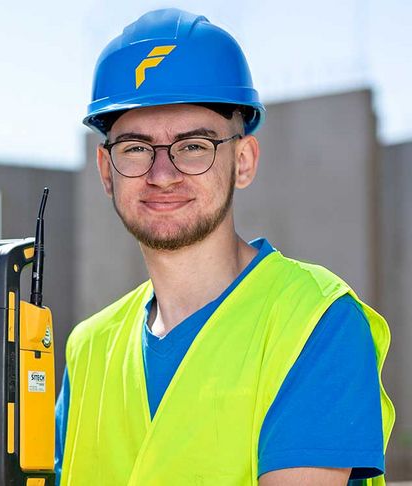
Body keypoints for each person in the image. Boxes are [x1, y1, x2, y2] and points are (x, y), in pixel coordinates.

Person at [54, 8, 394, 486]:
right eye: (135, 148)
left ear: (243, 161)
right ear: (107, 171)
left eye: (194, 146)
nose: (162, 174)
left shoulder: (314, 320)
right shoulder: (89, 348)